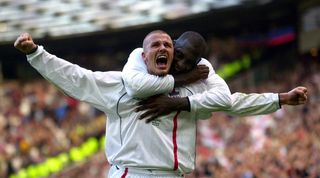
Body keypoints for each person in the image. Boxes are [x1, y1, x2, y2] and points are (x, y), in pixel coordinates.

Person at [14, 31, 307, 178]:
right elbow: (77, 78)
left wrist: (280, 99)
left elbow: (233, 103)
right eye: (155, 45)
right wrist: (37, 53)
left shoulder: (194, 87)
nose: (163, 48)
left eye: (168, 45)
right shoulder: (122, 84)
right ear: (143, 56)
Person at [122, 31, 307, 122]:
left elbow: (228, 101)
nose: (179, 64)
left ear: (197, 62)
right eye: (178, 55)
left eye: (187, 61)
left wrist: (280, 98)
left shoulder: (201, 72)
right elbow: (135, 86)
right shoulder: (142, 57)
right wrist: (184, 79)